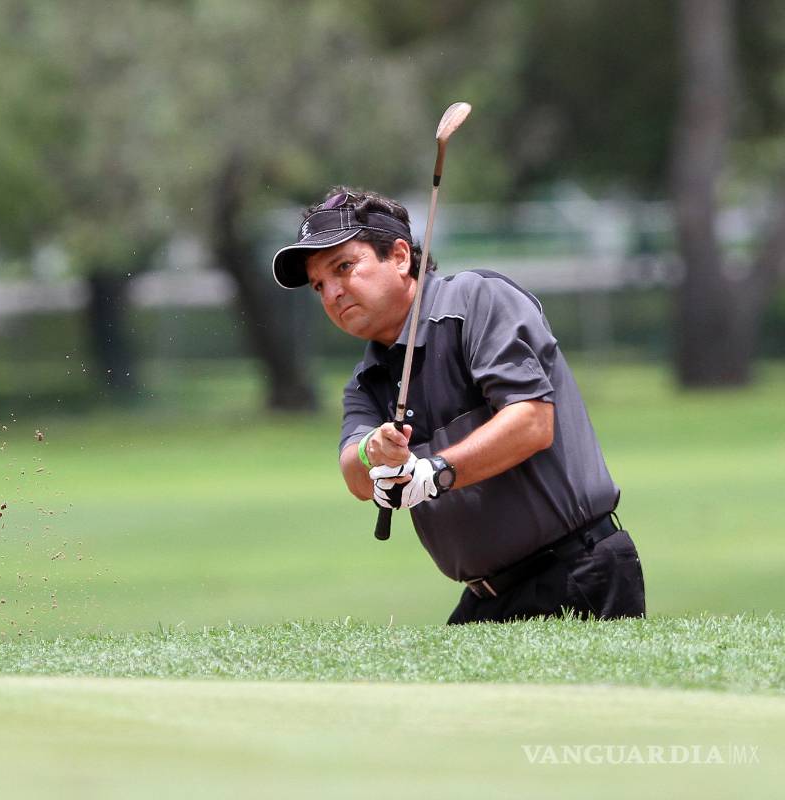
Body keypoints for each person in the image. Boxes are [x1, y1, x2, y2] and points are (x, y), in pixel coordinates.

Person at [271, 187, 646, 624]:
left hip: (577, 572)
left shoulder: (475, 302)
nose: (332, 293)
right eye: (319, 285)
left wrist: (435, 472)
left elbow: (532, 421)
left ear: (398, 256)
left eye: (344, 267)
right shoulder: (365, 381)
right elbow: (355, 475)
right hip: (489, 597)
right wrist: (373, 450)